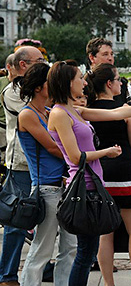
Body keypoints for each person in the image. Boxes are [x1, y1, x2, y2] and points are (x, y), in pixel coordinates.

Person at [46, 60, 131, 286]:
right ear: (68, 83)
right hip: (83, 187)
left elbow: (118, 113)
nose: (84, 82)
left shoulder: (74, 110)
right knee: (85, 252)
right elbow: (76, 157)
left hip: (96, 185)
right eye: (79, 78)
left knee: (88, 251)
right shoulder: (59, 113)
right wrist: (106, 151)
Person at [85, 63, 131, 286]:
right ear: (109, 84)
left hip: (99, 172)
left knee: (106, 233)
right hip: (124, 170)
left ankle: (109, 283)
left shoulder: (88, 108)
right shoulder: (123, 108)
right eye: (118, 79)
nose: (122, 83)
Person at [17, 63, 77, 286]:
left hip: (64, 186)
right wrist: (78, 154)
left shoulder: (50, 112)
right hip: (46, 188)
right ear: (38, 87)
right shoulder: (27, 115)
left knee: (70, 247)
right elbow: (53, 147)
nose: (53, 86)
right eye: (49, 82)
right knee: (42, 248)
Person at [0, 46, 46, 286]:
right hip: (21, 164)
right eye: (39, 60)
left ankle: (44, 267)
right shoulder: (12, 91)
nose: (44, 64)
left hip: (42, 163)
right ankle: (7, 275)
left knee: (46, 221)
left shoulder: (38, 88)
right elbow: (37, 114)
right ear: (23, 65)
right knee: (17, 220)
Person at [0, 54, 17, 164]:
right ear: (9, 67)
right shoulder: (1, 82)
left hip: (16, 130)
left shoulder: (24, 85)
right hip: (2, 128)